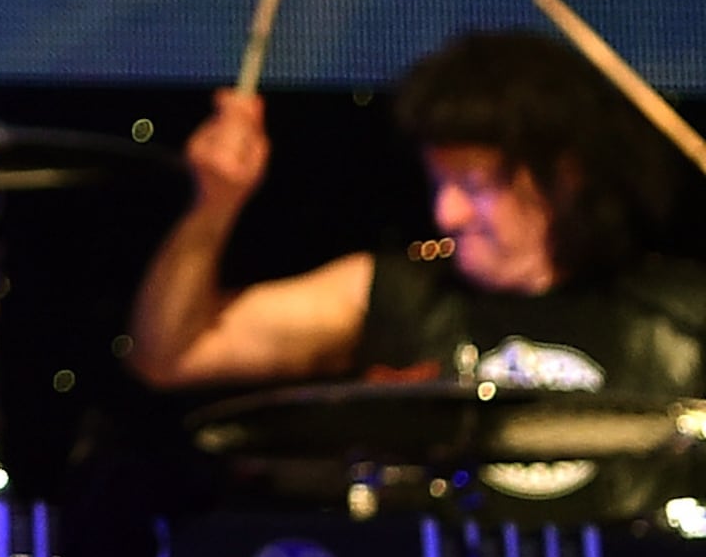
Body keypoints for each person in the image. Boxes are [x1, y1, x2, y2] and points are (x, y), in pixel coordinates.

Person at [129, 27, 702, 498]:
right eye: (438, 181)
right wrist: (215, 203)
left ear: (565, 177)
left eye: (472, 184)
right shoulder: (394, 293)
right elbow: (174, 354)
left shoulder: (684, 314)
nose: (446, 212)